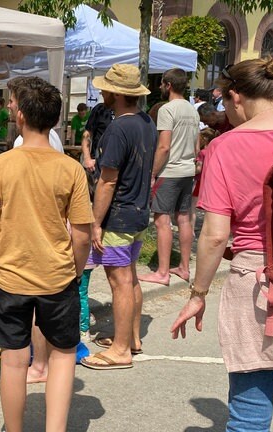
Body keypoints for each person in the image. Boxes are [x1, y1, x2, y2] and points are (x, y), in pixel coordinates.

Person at [171, 55, 273, 431]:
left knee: (250, 411)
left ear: (236, 97)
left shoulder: (225, 147)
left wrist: (198, 293)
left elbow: (217, 234)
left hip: (259, 279)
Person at [0, 76, 92, 432]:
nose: (9, 109)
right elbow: (83, 235)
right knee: (63, 355)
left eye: (11, 104)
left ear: (22, 115)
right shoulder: (70, 168)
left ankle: (14, 428)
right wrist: (74, 271)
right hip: (57, 276)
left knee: (13, 360)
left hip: (8, 276)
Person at [79, 64, 156, 370]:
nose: (101, 92)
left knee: (119, 280)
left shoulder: (118, 127)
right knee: (130, 277)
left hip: (120, 214)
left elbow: (107, 180)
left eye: (105, 88)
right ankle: (131, 339)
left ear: (116, 93)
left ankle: (121, 349)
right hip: (138, 210)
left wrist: (96, 222)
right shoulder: (145, 122)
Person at [139, 68, 200, 286]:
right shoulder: (193, 110)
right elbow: (196, 144)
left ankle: (162, 272)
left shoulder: (167, 110)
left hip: (170, 171)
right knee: (183, 218)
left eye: (162, 84)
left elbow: (164, 146)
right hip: (187, 170)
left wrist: (152, 173)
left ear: (169, 85)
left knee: (161, 220)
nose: (160, 87)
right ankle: (184, 267)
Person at [80, 102, 114, 198]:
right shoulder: (100, 109)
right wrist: (87, 159)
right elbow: (87, 134)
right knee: (97, 197)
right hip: (98, 162)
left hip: (119, 163)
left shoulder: (125, 110)